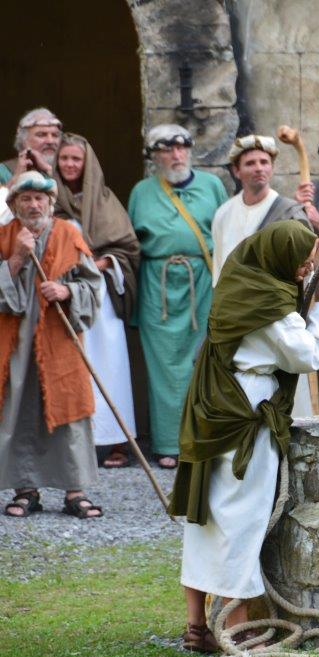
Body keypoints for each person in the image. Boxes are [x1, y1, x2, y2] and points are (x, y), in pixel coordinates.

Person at [169, 221, 319, 652]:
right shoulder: (268, 305)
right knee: (240, 521)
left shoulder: (241, 282)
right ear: (277, 256)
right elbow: (306, 354)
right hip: (244, 413)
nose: (303, 272)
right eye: (300, 262)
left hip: (215, 407)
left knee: (207, 515)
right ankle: (239, 630)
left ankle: (197, 625)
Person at [0, 172, 103, 519]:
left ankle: (75, 491)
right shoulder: (4, 236)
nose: (34, 205)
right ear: (14, 204)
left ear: (50, 203)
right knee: (19, 407)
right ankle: (25, 490)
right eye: (26, 199)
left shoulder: (68, 234)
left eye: (39, 198)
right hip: (15, 341)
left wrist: (67, 291)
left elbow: (93, 286)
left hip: (60, 338)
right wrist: (16, 258)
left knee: (70, 405)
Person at [128, 124, 228, 469]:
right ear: (154, 156)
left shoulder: (212, 186)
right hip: (158, 285)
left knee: (204, 360)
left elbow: (227, 233)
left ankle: (201, 438)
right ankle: (168, 443)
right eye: (167, 149)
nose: (176, 155)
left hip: (202, 280)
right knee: (164, 367)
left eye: (182, 147)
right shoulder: (141, 191)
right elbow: (130, 243)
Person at [54, 133, 141, 469]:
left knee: (109, 363)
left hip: (100, 297)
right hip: (62, 294)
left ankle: (117, 440)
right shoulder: (48, 198)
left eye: (76, 159)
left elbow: (128, 248)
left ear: (87, 163)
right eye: (64, 158)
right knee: (69, 364)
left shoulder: (105, 201)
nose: (70, 164)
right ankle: (72, 443)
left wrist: (99, 263)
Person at [211, 134, 307, 284]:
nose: (259, 168)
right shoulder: (223, 213)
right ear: (237, 171)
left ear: (272, 168)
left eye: (264, 162)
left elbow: (305, 271)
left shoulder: (289, 213)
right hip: (232, 296)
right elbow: (218, 268)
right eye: (250, 163)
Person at [2, 108, 63, 184]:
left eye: (55, 135)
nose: (50, 141)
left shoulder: (69, 169)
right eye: (41, 135)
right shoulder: (3, 172)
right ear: (23, 140)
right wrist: (16, 178)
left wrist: (49, 170)